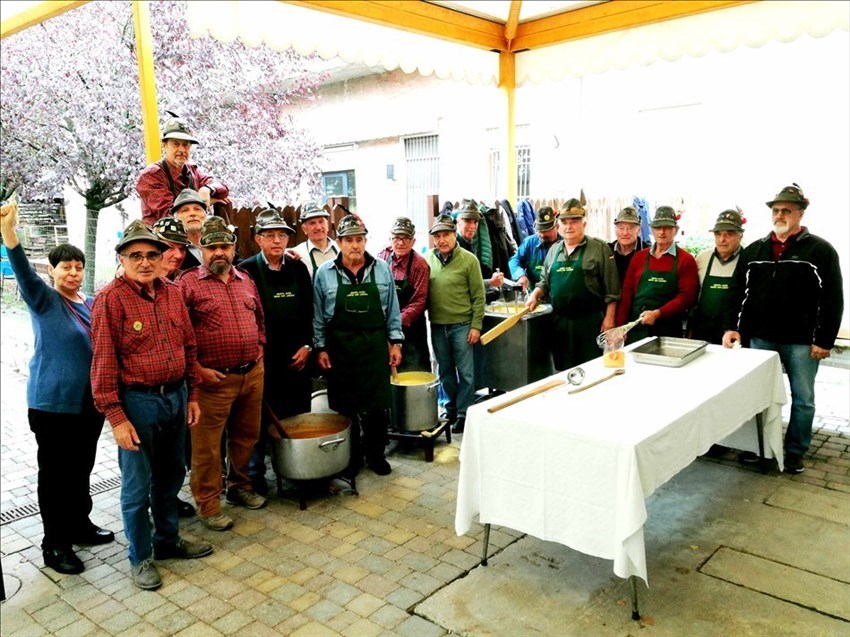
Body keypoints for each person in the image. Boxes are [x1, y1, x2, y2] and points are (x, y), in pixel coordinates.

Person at [90, 220, 211, 591]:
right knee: (136, 487)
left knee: (172, 476)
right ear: (122, 258)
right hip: (137, 403)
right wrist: (116, 418)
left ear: (162, 258)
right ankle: (140, 558)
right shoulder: (110, 300)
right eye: (135, 255)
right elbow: (103, 363)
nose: (145, 262)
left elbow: (189, 348)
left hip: (175, 397)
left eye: (151, 254)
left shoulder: (173, 293)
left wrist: (190, 396)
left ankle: (168, 541)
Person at [0, 198, 114, 576]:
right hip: (52, 405)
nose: (73, 273)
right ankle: (55, 544)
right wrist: (9, 231)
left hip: (89, 405)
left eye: (79, 267)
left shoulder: (93, 302)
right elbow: (20, 269)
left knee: (82, 468)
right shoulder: (44, 300)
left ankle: (80, 525)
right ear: (52, 271)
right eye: (66, 266)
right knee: (55, 475)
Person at [723, 184, 843, 475]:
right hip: (761, 339)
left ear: (800, 213)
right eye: (776, 210)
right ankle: (760, 448)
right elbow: (737, 292)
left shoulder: (820, 250)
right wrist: (732, 328)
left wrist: (823, 339)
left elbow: (833, 298)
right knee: (758, 396)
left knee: (803, 400)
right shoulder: (756, 250)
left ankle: (794, 452)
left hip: (802, 342)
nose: (780, 214)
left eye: (786, 210)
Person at [180, 217, 267, 530]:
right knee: (207, 449)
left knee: (246, 438)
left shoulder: (246, 280)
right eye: (212, 246)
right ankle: (208, 504)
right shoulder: (187, 284)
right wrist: (198, 370)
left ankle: (240, 488)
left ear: (234, 249)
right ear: (201, 249)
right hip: (211, 383)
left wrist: (259, 350)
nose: (219, 252)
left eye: (225, 246)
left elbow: (259, 320)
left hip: (251, 375)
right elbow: (180, 336)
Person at [313, 214, 403, 476]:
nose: (355, 245)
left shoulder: (382, 269)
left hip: (374, 345)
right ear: (339, 242)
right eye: (349, 240)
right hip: (340, 347)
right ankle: (350, 460)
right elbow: (318, 314)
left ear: (365, 241)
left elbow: (392, 311)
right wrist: (320, 348)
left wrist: (395, 342)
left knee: (376, 407)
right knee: (346, 407)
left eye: (359, 239)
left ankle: (376, 456)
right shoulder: (324, 273)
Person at [238, 206, 313, 494]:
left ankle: (298, 469)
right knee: (257, 421)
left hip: (299, 359)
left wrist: (308, 346)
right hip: (263, 361)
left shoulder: (297, 268)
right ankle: (256, 476)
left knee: (296, 417)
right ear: (258, 239)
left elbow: (311, 312)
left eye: (282, 235)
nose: (277, 241)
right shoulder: (246, 271)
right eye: (270, 236)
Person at [527, 199, 620, 370]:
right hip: (559, 324)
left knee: (592, 370)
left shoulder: (599, 248)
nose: (569, 227)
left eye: (574, 221)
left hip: (589, 323)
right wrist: (534, 295)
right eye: (564, 222)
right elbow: (544, 282)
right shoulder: (554, 250)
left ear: (584, 223)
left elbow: (612, 290)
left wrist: (609, 319)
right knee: (564, 372)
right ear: (558, 226)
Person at [425, 213, 486, 434]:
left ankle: (464, 412)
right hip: (438, 326)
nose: (442, 240)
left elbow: (479, 296)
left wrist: (476, 325)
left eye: (446, 235)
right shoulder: (427, 259)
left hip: (462, 325)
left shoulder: (469, 260)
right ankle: (450, 409)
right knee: (445, 371)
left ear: (454, 235)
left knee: (466, 373)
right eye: (437, 236)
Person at [616, 205, 699, 342]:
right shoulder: (639, 257)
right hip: (636, 328)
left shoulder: (686, 260)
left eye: (667, 227)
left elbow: (687, 297)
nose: (661, 232)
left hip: (668, 330)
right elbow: (627, 293)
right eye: (657, 227)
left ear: (676, 230)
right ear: (651, 229)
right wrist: (621, 327)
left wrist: (659, 313)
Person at [136, 113, 229, 226]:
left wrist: (207, 189)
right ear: (164, 146)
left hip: (192, 238)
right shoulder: (151, 175)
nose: (181, 149)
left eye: (186, 145)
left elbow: (223, 189)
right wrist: (205, 202)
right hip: (161, 240)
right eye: (176, 144)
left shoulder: (192, 170)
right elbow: (172, 214)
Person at [376, 217, 431, 372]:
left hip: (411, 329)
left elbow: (419, 301)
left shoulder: (420, 265)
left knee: (414, 370)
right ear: (390, 239)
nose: (400, 243)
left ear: (413, 241)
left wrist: (396, 321)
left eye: (406, 238)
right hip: (385, 327)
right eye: (396, 238)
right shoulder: (382, 258)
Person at [689, 209, 746, 344]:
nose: (722, 240)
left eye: (729, 234)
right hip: (701, 330)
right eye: (718, 234)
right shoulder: (703, 258)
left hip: (733, 332)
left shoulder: (747, 259)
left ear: (740, 236)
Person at [455, 200, 505, 300]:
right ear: (458, 222)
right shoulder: (455, 245)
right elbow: (461, 283)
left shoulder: (471, 243)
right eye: (467, 221)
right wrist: (490, 282)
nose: (472, 226)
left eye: (475, 222)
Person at [508, 206, 561, 292]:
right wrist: (520, 275)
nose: (543, 235)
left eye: (546, 230)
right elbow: (514, 260)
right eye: (540, 231)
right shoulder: (530, 242)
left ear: (557, 227)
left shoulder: (565, 244)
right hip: (533, 296)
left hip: (557, 295)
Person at [292, 202, 339, 279]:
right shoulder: (297, 254)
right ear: (304, 229)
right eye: (312, 223)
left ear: (327, 225)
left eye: (321, 222)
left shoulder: (340, 249)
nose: (318, 227)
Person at [609, 206, 649, 284]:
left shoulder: (648, 252)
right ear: (615, 229)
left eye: (630, 228)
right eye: (621, 228)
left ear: (639, 230)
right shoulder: (607, 250)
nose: (625, 233)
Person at [171, 188, 207, 270]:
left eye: (197, 209)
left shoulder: (216, 240)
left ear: (205, 216)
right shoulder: (172, 249)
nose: (192, 214)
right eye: (185, 210)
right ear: (176, 218)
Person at [153, 216, 190, 281]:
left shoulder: (188, 281)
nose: (179, 256)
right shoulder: (136, 280)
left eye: (182, 249)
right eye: (170, 247)